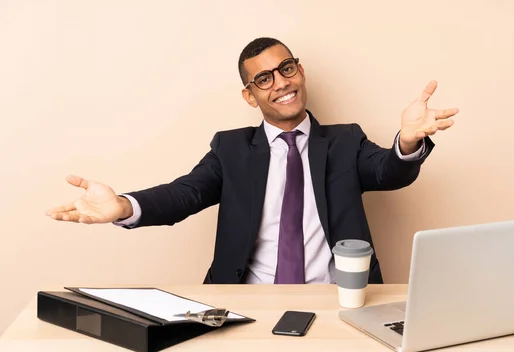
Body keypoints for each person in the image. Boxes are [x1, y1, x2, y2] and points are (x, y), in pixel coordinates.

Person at [46, 37, 458, 285]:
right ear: (250, 95)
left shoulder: (345, 140)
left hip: (339, 298)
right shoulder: (231, 149)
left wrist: (406, 140)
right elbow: (184, 194)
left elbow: (389, 171)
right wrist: (123, 206)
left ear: (300, 72)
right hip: (247, 301)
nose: (280, 83)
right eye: (264, 79)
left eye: (286, 69)